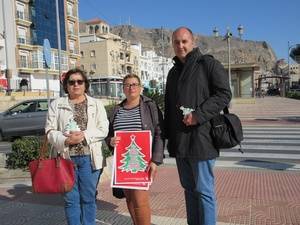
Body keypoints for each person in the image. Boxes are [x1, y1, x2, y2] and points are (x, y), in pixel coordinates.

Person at [164, 27, 232, 225]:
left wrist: (198, 115)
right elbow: (168, 107)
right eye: (176, 42)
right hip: (180, 142)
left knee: (204, 191)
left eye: (184, 41)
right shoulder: (172, 73)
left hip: (202, 140)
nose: (180, 46)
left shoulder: (208, 65)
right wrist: (166, 138)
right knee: (189, 189)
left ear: (193, 41)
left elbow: (224, 94)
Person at [45, 68, 109, 225]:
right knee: (71, 200)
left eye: (79, 81)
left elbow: (103, 129)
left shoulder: (96, 104)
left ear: (85, 84)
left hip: (90, 159)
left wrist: (84, 135)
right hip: (66, 159)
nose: (75, 85)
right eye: (71, 82)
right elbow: (49, 130)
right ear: (66, 85)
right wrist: (65, 140)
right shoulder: (56, 105)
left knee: (88, 198)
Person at [105, 74, 164, 225]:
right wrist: (110, 141)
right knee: (130, 199)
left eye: (134, 84)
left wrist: (156, 161)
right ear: (123, 88)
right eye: (127, 85)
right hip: (124, 163)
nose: (131, 88)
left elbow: (159, 133)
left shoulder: (150, 106)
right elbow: (108, 134)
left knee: (140, 200)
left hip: (142, 162)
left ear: (140, 87)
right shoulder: (117, 110)